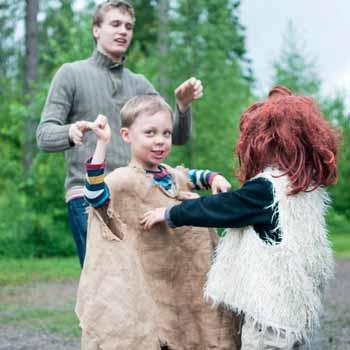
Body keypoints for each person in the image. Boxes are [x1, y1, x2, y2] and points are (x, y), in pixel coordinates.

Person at [141, 86, 340, 349]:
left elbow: (221, 208)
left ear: (264, 143)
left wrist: (170, 213)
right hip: (294, 314)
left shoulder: (266, 188)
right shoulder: (304, 188)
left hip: (269, 318)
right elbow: (245, 208)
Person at [36, 0, 203, 267]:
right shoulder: (71, 74)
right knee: (103, 285)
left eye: (128, 26)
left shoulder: (139, 84)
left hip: (136, 193)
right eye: (115, 24)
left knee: (141, 285)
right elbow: (44, 135)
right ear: (96, 30)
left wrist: (182, 107)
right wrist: (71, 131)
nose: (123, 31)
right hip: (87, 196)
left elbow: (178, 137)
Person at [75, 95, 241, 350]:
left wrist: (214, 178)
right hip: (147, 282)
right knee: (154, 335)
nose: (160, 141)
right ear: (127, 135)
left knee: (190, 329)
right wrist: (102, 144)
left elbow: (191, 176)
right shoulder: (124, 180)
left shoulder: (170, 175)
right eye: (150, 133)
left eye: (166, 133)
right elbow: (95, 196)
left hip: (180, 278)